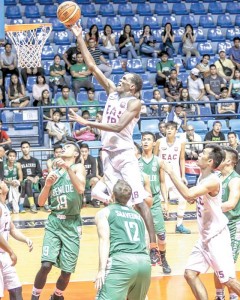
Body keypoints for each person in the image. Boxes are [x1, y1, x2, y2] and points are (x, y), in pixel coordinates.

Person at [70, 24, 160, 265]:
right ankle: (125, 240)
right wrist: (79, 37)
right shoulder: (111, 90)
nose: (120, 80)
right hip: (107, 155)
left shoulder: (135, 103)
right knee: (113, 197)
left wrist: (87, 122)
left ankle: (154, 247)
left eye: (125, 79)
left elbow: (119, 127)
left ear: (133, 87)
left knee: (139, 199)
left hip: (124, 154)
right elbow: (91, 66)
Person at [162, 144, 240, 300]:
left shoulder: (212, 180)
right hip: (204, 238)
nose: (198, 154)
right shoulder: (202, 177)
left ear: (210, 161)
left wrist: (171, 172)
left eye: (203, 153)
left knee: (229, 281)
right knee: (190, 274)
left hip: (217, 237)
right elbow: (193, 196)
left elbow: (188, 193)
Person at [31, 142, 86, 300]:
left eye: (68, 147)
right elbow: (41, 203)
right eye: (63, 147)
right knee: (46, 265)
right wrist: (47, 185)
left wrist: (68, 168)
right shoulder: (53, 173)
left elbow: (81, 189)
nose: (64, 148)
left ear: (75, 154)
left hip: (72, 223)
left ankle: (57, 295)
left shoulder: (77, 168)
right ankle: (35, 296)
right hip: (55, 222)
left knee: (67, 271)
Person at [95, 179, 151, 300]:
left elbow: (104, 241)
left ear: (112, 195)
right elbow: (146, 242)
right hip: (144, 263)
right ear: (129, 198)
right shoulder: (138, 216)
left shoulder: (104, 212)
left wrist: (101, 270)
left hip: (121, 262)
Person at [139, 132, 171, 273]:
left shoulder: (158, 161)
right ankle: (143, 264)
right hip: (140, 202)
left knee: (161, 236)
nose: (145, 141)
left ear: (154, 143)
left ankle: (163, 259)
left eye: (148, 139)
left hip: (156, 200)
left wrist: (166, 201)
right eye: (143, 139)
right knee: (141, 236)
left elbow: (163, 182)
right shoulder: (136, 161)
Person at [154, 121, 191, 234]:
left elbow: (182, 159)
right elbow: (154, 158)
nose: (169, 130)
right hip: (162, 175)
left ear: (176, 130)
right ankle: (158, 226)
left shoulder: (181, 143)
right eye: (167, 128)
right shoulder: (159, 142)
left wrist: (183, 175)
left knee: (183, 197)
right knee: (158, 202)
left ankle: (179, 224)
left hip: (175, 175)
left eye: (171, 128)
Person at [0, 179, 33, 300]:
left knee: (16, 288)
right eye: (1, 182)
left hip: (4, 255)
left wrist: (25, 239)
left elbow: (12, 229)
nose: (4, 182)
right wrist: (11, 252)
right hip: (3, 253)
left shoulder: (4, 205)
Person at [214, 146, 240, 300]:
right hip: (218, 227)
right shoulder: (216, 176)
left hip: (232, 226)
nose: (217, 159)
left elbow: (231, 203)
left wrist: (210, 208)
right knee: (217, 263)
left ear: (229, 161)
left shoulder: (235, 180)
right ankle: (219, 295)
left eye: (221, 157)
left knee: (227, 265)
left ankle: (233, 296)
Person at [18, 141, 45, 213]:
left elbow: (40, 172)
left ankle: (46, 203)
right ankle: (32, 205)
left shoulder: (35, 160)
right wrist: (28, 177)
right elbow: (19, 175)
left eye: (27, 147)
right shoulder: (19, 162)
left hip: (35, 181)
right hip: (26, 181)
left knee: (43, 181)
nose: (25, 149)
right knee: (28, 182)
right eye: (23, 147)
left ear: (30, 148)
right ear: (21, 149)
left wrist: (36, 177)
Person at [4, 149, 23, 214]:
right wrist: (10, 183)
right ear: (7, 156)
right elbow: (1, 178)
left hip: (14, 184)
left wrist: (16, 182)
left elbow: (21, 178)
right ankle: (7, 205)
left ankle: (16, 205)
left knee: (17, 184)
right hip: (6, 183)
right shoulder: (3, 165)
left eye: (13, 156)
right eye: (10, 156)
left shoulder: (18, 164)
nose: (12, 158)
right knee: (4, 186)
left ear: (15, 157)